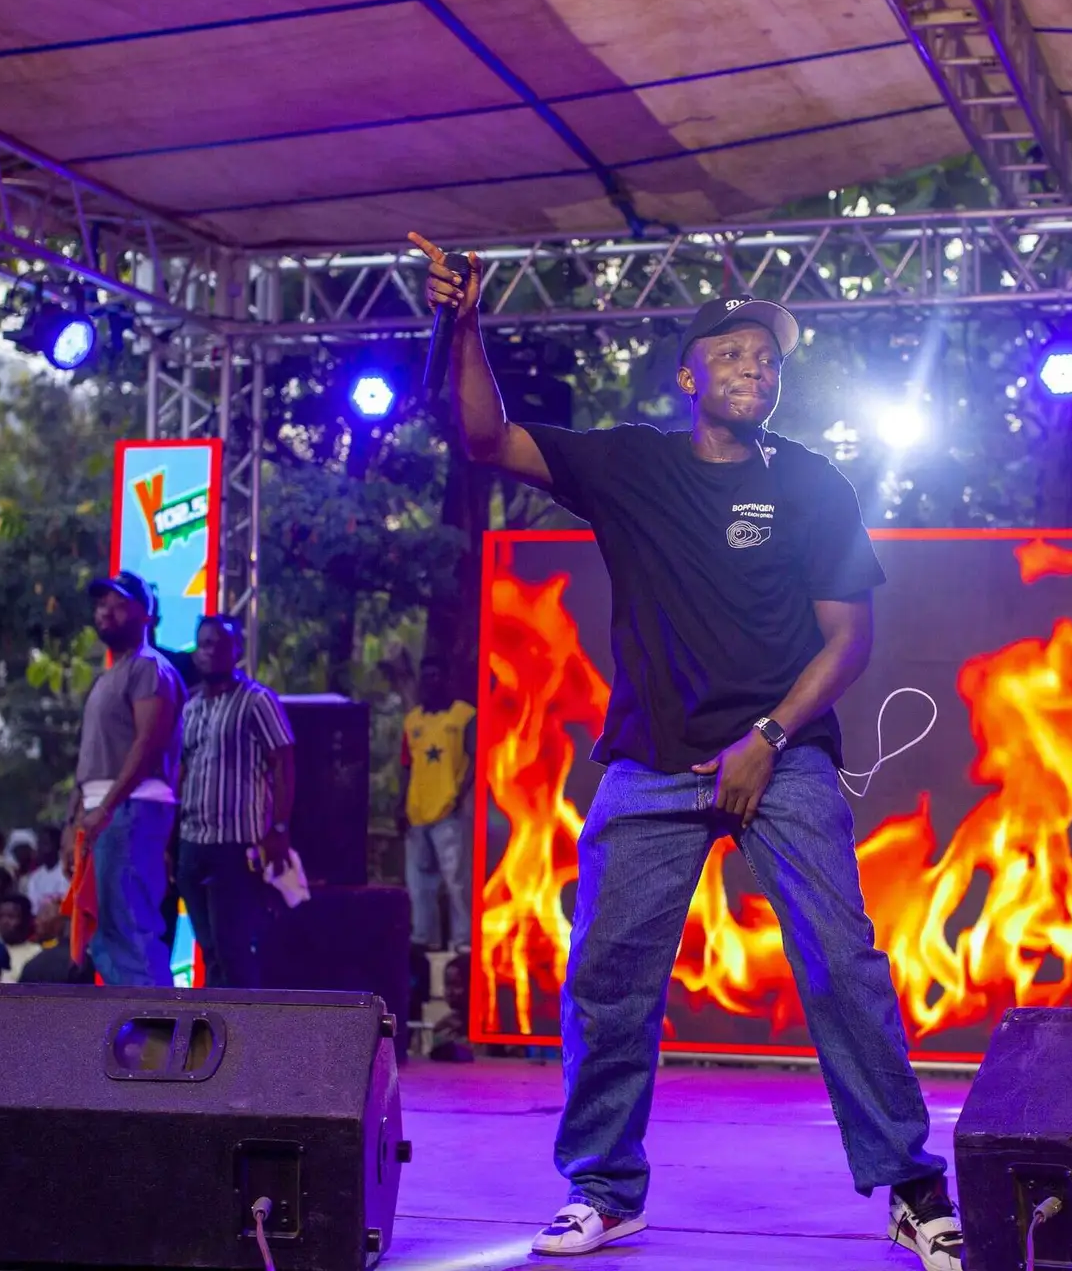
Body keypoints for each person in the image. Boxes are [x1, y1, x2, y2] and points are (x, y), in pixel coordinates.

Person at [416, 237, 963, 1269]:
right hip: (653, 761)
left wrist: (768, 737)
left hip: (783, 755)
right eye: (734, 353)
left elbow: (849, 642)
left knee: (842, 965)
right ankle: (605, 1189)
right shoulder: (633, 465)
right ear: (688, 377)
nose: (756, 367)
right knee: (608, 975)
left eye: (770, 359)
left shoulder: (812, 484)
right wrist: (468, 320)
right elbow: (485, 436)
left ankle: (911, 1186)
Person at [72, 571, 186, 987]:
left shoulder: (149, 668)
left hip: (132, 807)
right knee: (104, 935)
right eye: (102, 604)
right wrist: (75, 819)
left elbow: (147, 744)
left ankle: (159, 1022)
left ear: (145, 614)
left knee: (132, 927)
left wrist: (106, 807)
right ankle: (137, 1019)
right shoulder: (111, 675)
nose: (106, 611)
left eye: (119, 604)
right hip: (106, 811)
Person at [176, 615, 295, 988]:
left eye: (220, 644)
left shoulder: (257, 701)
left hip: (237, 844)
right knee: (209, 949)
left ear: (237, 650)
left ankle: (245, 1020)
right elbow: (182, 770)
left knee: (233, 949)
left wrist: (279, 827)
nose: (210, 652)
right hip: (192, 842)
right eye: (204, 644)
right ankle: (217, 1021)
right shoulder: (190, 706)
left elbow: (283, 763)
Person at [402, 663, 476, 953]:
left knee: (457, 882)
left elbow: (476, 757)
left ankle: (463, 942)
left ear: (446, 679)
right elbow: (406, 765)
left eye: (436, 676)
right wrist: (401, 804)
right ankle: (425, 938)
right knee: (420, 883)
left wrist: (459, 796)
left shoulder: (464, 715)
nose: (431, 682)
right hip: (418, 811)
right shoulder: (412, 721)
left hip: (449, 811)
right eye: (426, 677)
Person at [21, 825, 71, 913]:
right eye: (38, 844)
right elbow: (34, 908)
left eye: (45, 843)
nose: (40, 848)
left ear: (56, 846)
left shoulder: (68, 872)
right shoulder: (35, 877)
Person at [0, 894, 42, 981]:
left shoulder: (37, 954)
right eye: (1, 916)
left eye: (11, 916)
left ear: (26, 920)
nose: (4, 922)